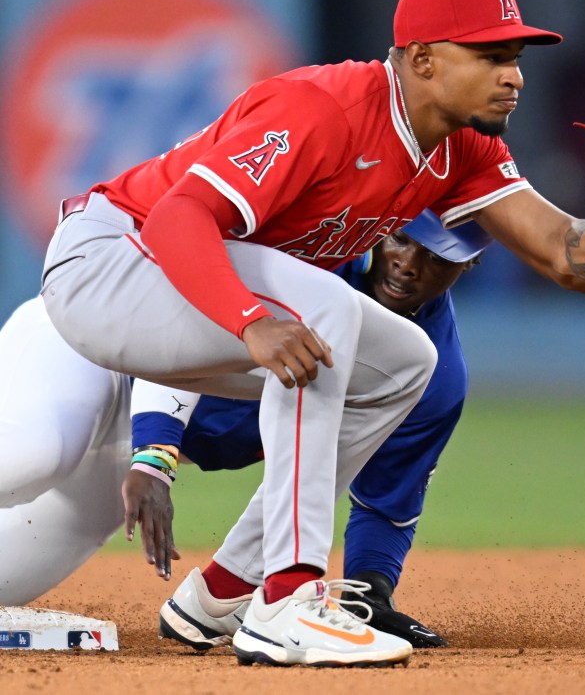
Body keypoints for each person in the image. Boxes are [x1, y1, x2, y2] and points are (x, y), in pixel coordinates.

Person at [37, 0, 585, 667]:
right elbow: (178, 218)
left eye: (515, 57)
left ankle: (225, 590)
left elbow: (567, 254)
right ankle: (289, 601)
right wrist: (251, 322)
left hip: (179, 278)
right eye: (490, 56)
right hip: (109, 261)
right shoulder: (324, 109)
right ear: (423, 59)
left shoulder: (463, 147)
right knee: (324, 313)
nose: (513, 77)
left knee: (405, 363)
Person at [0, 211, 488, 652]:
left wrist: (370, 595)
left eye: (437, 257)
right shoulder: (314, 258)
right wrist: (156, 454)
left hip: (128, 445)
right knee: (37, 453)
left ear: (469, 265)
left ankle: (225, 592)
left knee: (7, 584)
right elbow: (174, 313)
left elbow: (385, 501)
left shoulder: (431, 376)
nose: (408, 265)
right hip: (88, 351)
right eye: (401, 239)